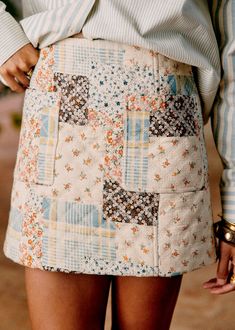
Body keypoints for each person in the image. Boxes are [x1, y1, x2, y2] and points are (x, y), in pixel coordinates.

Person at [0, 1, 235, 329]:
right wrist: (4, 36)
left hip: (162, 116)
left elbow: (233, 56)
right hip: (61, 108)